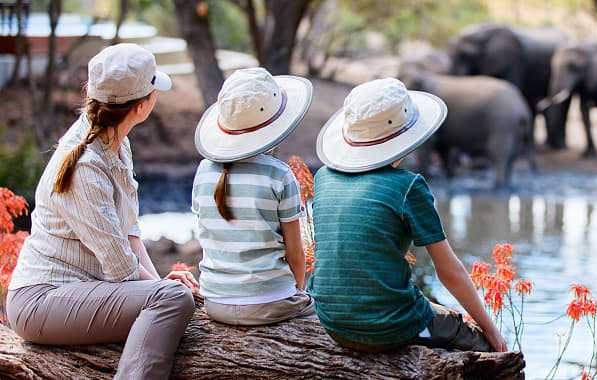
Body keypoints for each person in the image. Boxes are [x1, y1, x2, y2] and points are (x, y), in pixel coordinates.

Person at [5, 44, 198, 380]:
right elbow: (121, 267)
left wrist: (155, 285)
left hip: (78, 292)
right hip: (41, 302)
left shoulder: (116, 141)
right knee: (174, 299)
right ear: (141, 106)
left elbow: (130, 234)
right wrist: (160, 292)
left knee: (172, 295)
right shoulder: (86, 165)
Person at [309, 77, 507, 353]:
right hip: (389, 328)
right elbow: (449, 271)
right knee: (481, 345)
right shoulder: (408, 185)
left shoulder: (323, 177)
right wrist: (491, 330)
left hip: (332, 322)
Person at [191, 67, 315, 326]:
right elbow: (295, 252)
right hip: (270, 301)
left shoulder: (203, 170)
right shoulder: (279, 174)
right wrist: (298, 290)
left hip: (215, 302)